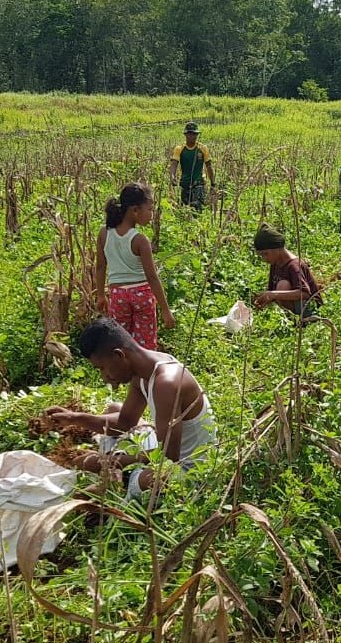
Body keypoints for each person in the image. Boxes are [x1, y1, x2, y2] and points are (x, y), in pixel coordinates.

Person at [45, 318, 216, 499]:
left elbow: (167, 460)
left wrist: (111, 461)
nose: (104, 377)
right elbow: (124, 422)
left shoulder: (167, 383)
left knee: (151, 480)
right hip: (164, 450)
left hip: (190, 470)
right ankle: (120, 478)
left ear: (119, 355)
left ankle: (120, 485)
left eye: (102, 368)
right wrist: (74, 418)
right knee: (114, 408)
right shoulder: (143, 372)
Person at [95, 182, 175, 350]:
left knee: (121, 342)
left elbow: (101, 267)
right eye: (150, 209)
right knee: (145, 345)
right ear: (135, 210)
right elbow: (152, 277)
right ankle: (144, 375)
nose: (151, 215)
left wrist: (101, 295)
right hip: (142, 295)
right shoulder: (140, 240)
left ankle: (125, 374)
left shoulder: (104, 234)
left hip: (118, 295)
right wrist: (166, 310)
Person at [252, 223, 322, 319]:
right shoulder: (275, 264)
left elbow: (305, 293)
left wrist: (274, 295)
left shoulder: (294, 265)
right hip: (296, 307)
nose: (264, 258)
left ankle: (298, 321)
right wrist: (263, 298)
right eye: (261, 255)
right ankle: (292, 319)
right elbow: (272, 291)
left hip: (310, 309)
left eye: (265, 254)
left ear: (276, 249)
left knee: (283, 285)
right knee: (279, 288)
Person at [169, 121, 215, 212]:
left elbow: (209, 166)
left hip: (199, 184)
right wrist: (172, 176)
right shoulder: (179, 149)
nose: (192, 136)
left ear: (197, 135)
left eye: (194, 134)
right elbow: (174, 163)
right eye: (189, 134)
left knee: (197, 211)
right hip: (185, 184)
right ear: (185, 135)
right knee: (185, 211)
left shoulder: (202, 148)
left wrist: (213, 182)